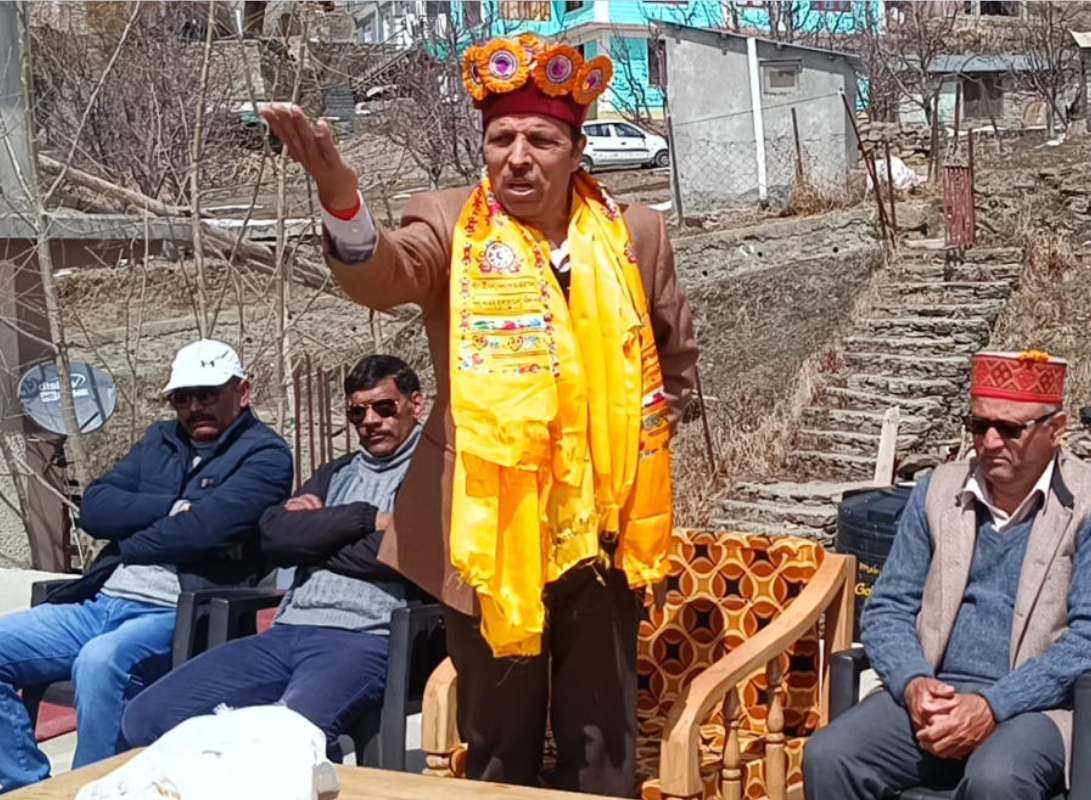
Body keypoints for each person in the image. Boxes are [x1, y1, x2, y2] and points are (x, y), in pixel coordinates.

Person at [259, 34, 699, 795]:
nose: (518, 156)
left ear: (576, 149)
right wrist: (339, 192)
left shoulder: (634, 232)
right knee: (500, 743)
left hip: (602, 530)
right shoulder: (452, 223)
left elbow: (674, 349)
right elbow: (386, 275)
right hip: (486, 528)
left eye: (541, 138)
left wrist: (634, 446)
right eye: (502, 138)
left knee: (603, 740)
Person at [804, 350, 1091, 800]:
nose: (991, 442)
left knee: (997, 778)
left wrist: (992, 705)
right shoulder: (937, 492)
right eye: (979, 426)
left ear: (1055, 430)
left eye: (1010, 428)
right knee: (830, 754)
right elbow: (887, 608)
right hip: (936, 694)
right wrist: (913, 683)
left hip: (1043, 706)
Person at [0, 339, 291, 791]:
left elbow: (206, 531)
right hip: (101, 603)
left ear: (243, 391)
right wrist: (172, 506)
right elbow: (94, 508)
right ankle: (27, 787)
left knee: (100, 662)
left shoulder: (266, 456)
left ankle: (94, 789)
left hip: (177, 615)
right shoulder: (161, 439)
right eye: (183, 398)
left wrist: (132, 537)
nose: (195, 407)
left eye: (208, 394)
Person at [121, 354, 426, 757]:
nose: (370, 421)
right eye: (357, 411)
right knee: (147, 716)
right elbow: (274, 537)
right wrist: (363, 519)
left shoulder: (433, 471)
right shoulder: (339, 473)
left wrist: (316, 539)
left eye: (384, 407)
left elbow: (403, 553)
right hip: (287, 631)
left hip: (364, 638)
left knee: (282, 742)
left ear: (416, 404)